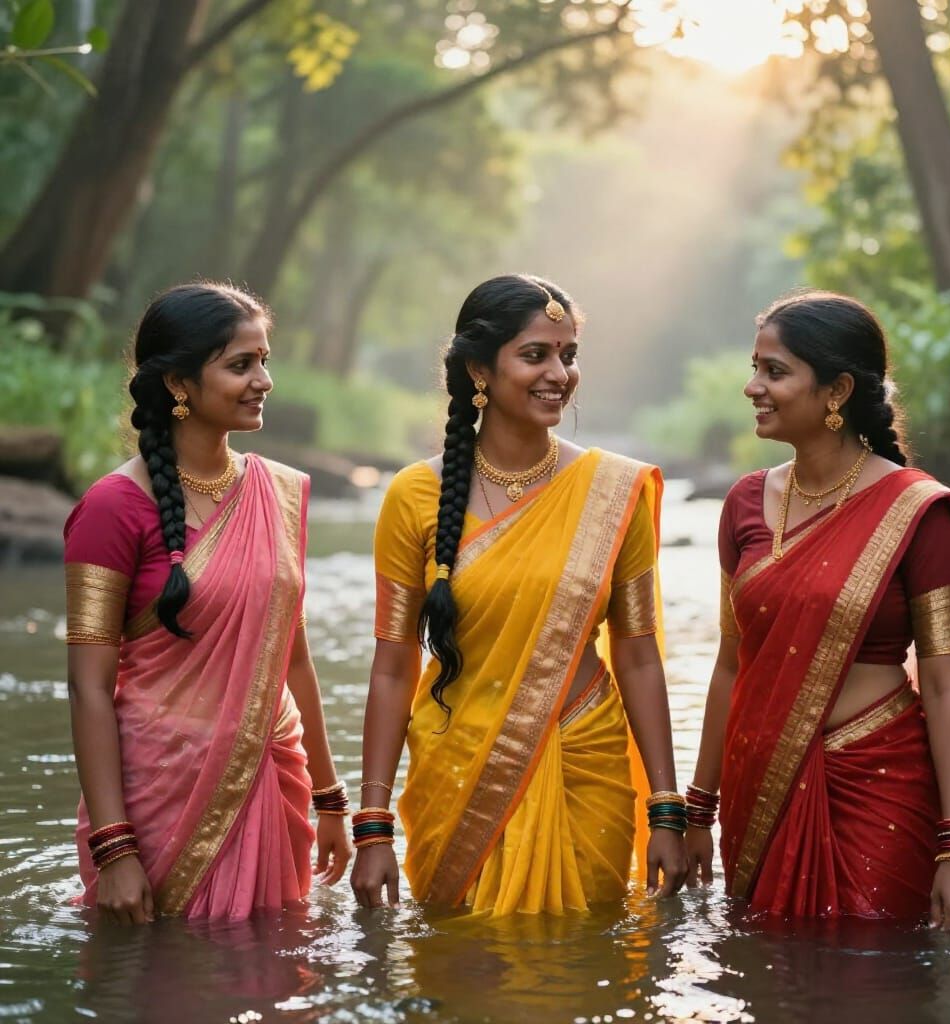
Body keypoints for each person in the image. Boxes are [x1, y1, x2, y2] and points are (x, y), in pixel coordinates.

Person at [350, 274, 687, 914]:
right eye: (536, 354)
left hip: (584, 758)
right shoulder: (414, 497)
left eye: (569, 354)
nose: (559, 372)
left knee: (588, 971)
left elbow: (639, 655)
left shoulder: (614, 492)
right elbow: (393, 667)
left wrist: (667, 810)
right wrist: (372, 825)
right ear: (480, 369)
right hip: (459, 765)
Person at [685, 290, 950, 928]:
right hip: (761, 790)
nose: (753, 387)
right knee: (766, 979)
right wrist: (696, 810)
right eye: (756, 368)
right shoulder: (746, 504)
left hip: (878, 784)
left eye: (774, 372)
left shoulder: (919, 513)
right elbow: (730, 667)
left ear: (836, 391)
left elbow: (945, 688)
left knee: (875, 985)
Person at [64, 282, 353, 924]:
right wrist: (114, 848)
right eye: (240, 364)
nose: (264, 380)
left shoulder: (278, 493)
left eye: (265, 360)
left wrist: (330, 799)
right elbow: (88, 689)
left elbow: (292, 656)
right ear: (178, 384)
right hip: (155, 800)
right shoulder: (112, 509)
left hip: (268, 781)